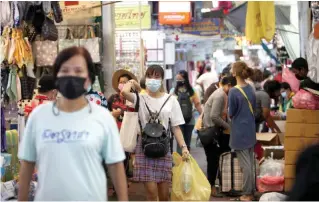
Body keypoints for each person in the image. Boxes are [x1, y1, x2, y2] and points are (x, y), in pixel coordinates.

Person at [17, 47, 128, 201]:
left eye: (78, 70)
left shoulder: (103, 117)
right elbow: (27, 164)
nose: (71, 76)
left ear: (89, 78)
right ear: (56, 77)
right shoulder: (38, 116)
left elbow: (116, 166)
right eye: (65, 70)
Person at [121, 64, 190, 201]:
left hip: (163, 146)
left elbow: (176, 127)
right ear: (145, 78)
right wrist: (131, 82)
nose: (153, 79)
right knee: (151, 193)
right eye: (149, 76)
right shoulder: (140, 98)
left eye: (157, 76)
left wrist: (184, 147)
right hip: (145, 146)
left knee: (164, 195)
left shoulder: (171, 100)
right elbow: (124, 92)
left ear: (162, 80)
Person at [202, 76, 236, 196]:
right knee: (213, 161)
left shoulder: (222, 94)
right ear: (229, 85)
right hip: (212, 132)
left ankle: (217, 186)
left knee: (217, 160)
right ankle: (211, 188)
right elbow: (214, 116)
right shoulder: (220, 95)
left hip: (215, 131)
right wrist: (228, 127)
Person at [228, 61, 256, 201]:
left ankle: (247, 194)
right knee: (250, 163)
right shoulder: (251, 88)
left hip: (239, 132)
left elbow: (231, 112)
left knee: (245, 166)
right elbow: (254, 108)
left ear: (234, 73)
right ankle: (251, 191)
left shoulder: (233, 91)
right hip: (250, 130)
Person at [172, 70, 202, 154]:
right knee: (187, 143)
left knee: (180, 143)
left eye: (179, 79)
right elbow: (197, 104)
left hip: (178, 121)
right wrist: (202, 115)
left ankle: (181, 163)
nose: (179, 81)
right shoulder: (192, 91)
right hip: (189, 120)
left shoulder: (173, 91)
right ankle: (185, 162)